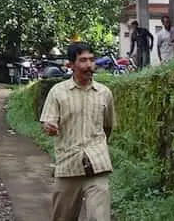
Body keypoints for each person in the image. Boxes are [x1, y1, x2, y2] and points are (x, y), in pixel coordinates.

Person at [40, 41, 115, 221]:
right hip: (68, 165)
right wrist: (49, 127)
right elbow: (48, 122)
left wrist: (99, 148)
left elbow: (108, 127)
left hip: (98, 165)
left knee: (99, 218)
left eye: (91, 60)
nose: (89, 65)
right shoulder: (57, 92)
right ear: (71, 65)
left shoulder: (104, 93)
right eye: (82, 60)